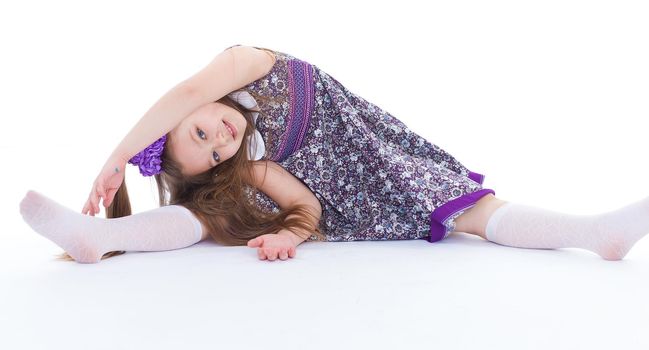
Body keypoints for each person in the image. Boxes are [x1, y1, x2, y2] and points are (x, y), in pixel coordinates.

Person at [18, 45, 649, 263]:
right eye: (209, 152)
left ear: (189, 110)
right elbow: (306, 203)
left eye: (202, 131)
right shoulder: (253, 162)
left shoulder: (241, 63)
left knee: (469, 209)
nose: (219, 141)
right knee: (212, 213)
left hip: (368, 151)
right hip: (330, 191)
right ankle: (105, 238)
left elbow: (185, 92)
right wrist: (289, 234)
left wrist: (114, 157)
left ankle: (594, 232)